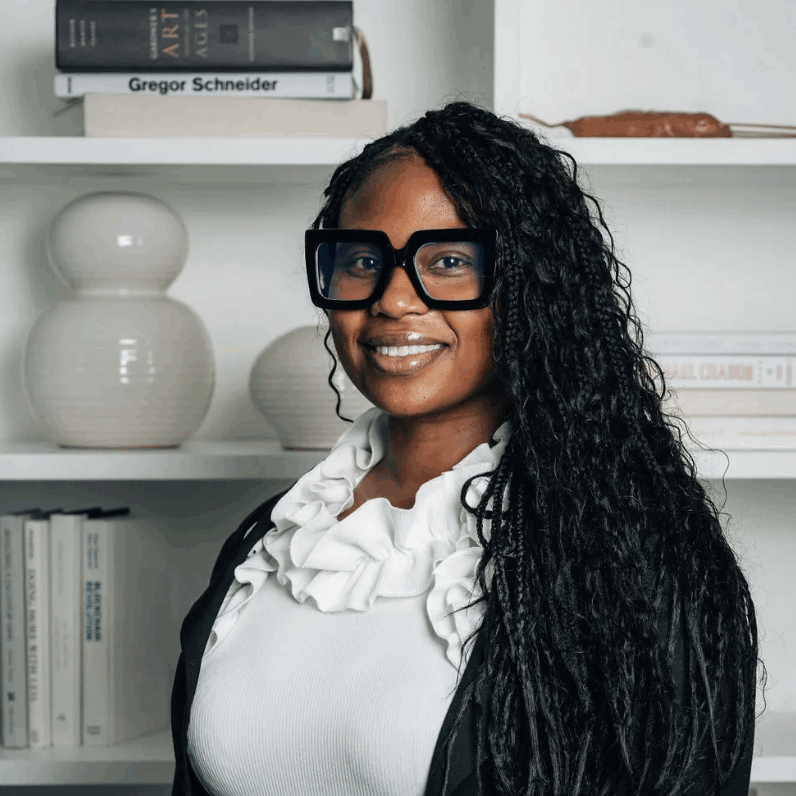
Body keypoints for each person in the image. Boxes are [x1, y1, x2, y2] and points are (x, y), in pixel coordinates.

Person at [170, 101, 764, 796]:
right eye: (363, 259)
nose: (393, 300)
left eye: (448, 260)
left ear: (531, 287)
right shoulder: (267, 546)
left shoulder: (631, 561)